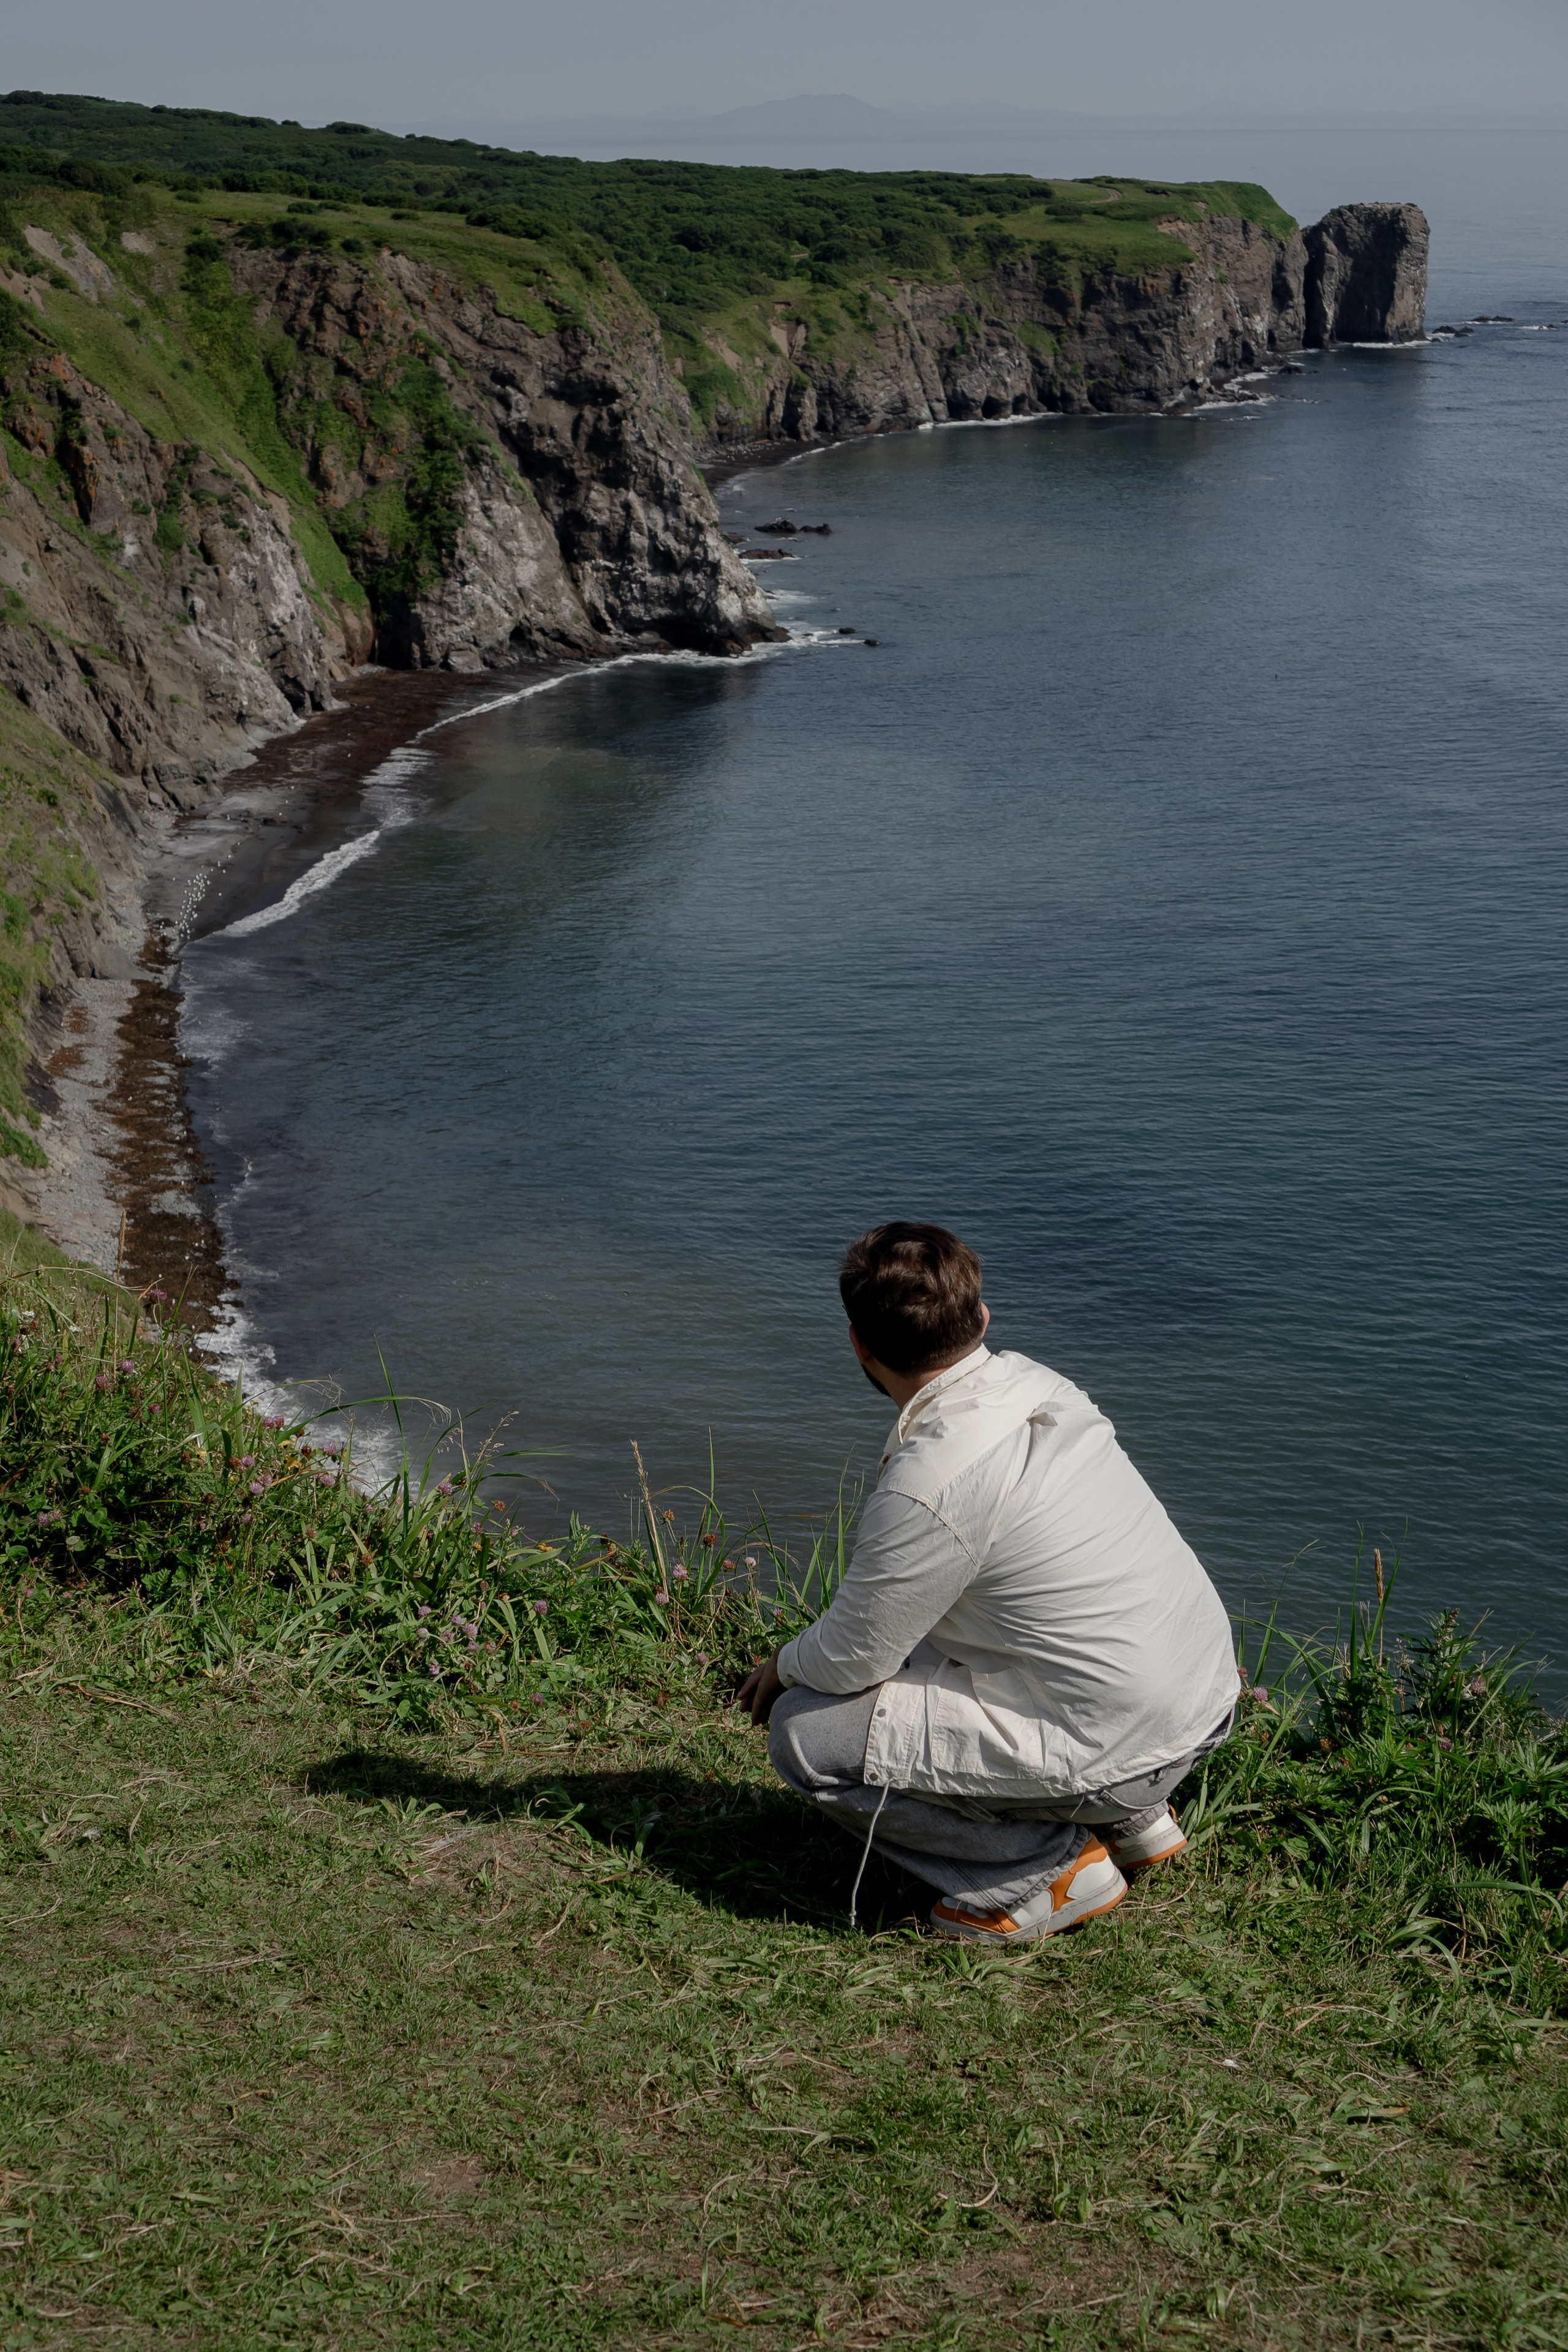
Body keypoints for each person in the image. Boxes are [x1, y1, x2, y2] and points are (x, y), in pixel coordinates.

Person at [737, 1223, 1238, 1945]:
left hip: (1122, 1743)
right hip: (1201, 1699)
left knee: (808, 1734)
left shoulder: (930, 1482)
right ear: (980, 1319)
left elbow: (856, 1657)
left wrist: (783, 1666)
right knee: (978, 1629)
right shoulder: (1043, 1389)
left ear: (858, 1345)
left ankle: (1041, 1875)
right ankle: (1134, 1823)